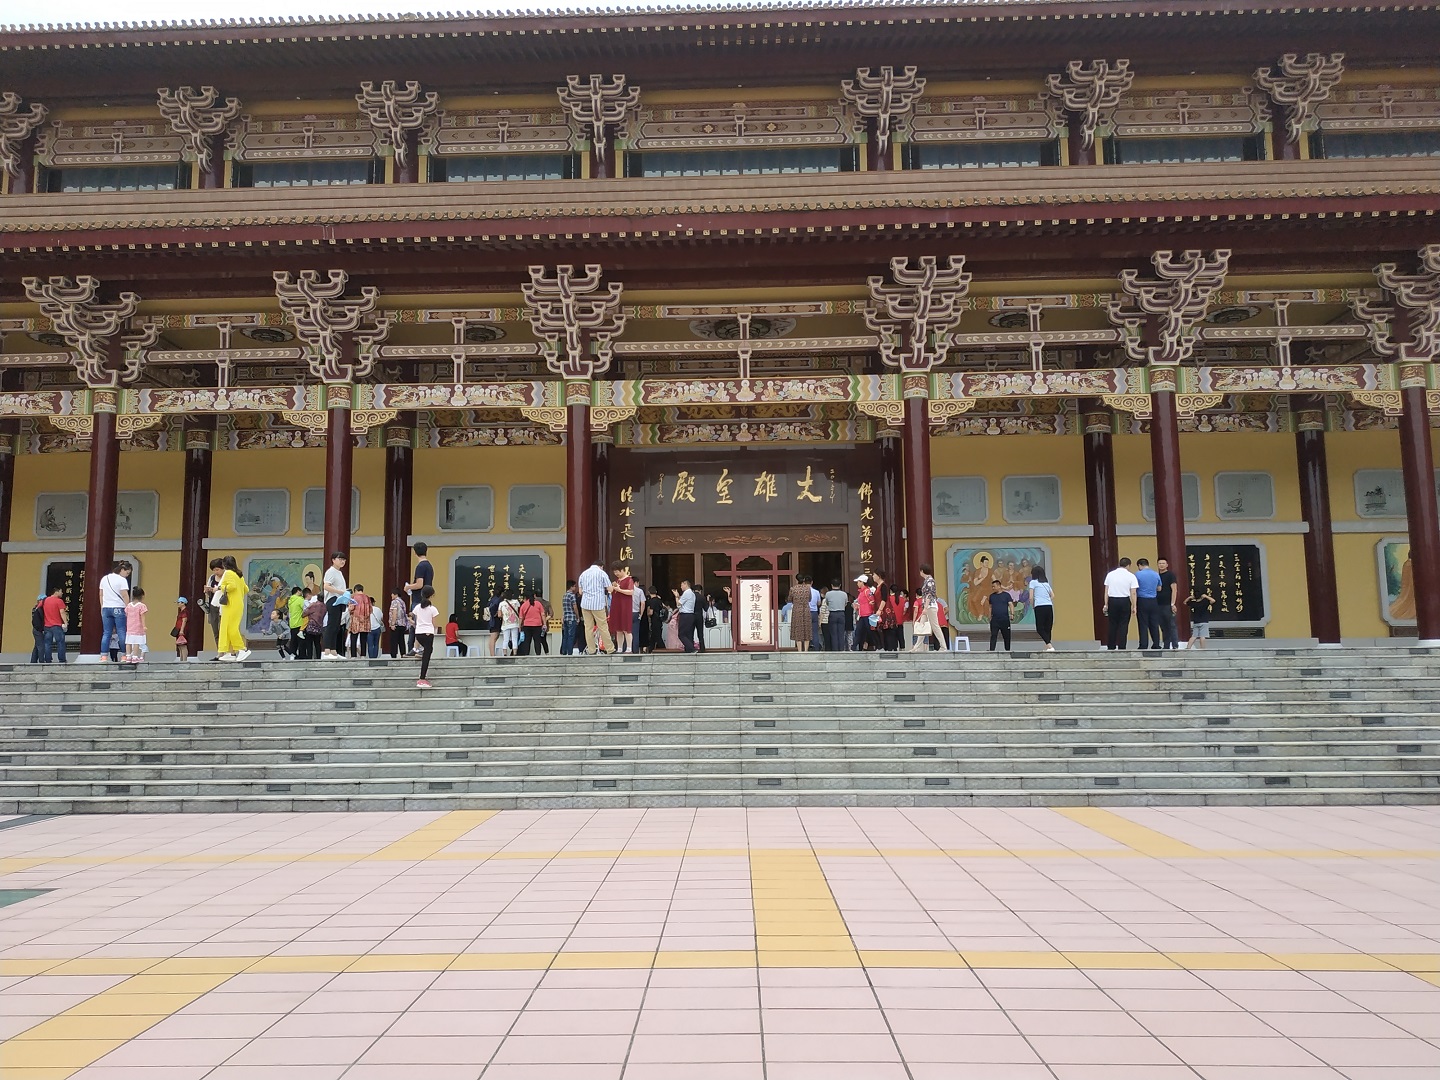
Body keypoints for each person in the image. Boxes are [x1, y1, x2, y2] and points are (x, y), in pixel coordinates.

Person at [216, 555, 250, 662]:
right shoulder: (239, 575)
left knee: (231, 628)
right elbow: (246, 589)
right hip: (237, 604)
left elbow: (232, 587)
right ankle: (229, 652)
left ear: (224, 565)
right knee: (227, 628)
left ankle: (241, 649)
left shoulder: (228, 573)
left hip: (231, 605)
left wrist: (220, 587)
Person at [578, 558, 615, 655]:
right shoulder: (601, 573)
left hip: (585, 604)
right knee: (603, 626)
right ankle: (610, 649)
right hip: (598, 604)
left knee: (588, 627)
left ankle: (591, 650)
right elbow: (610, 588)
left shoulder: (583, 574)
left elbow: (580, 592)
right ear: (601, 566)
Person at [1102, 557, 1139, 651]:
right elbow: (1133, 592)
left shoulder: (1110, 575)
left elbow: (1106, 591)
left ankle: (1111, 646)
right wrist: (1134, 606)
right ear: (1128, 565)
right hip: (1124, 601)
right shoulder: (1131, 576)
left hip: (1112, 600)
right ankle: (1122, 646)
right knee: (1123, 624)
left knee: (1112, 624)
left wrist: (1106, 604)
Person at [98, 559, 132, 663]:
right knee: (121, 631)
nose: (127, 575)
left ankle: (103, 656)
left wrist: (102, 607)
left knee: (106, 633)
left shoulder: (105, 578)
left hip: (106, 608)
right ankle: (124, 655)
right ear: (122, 570)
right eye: (127, 572)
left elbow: (101, 594)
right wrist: (128, 607)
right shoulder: (122, 580)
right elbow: (124, 594)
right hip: (118, 607)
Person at [404, 542, 434, 656]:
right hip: (424, 598)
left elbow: (419, 584)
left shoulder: (421, 566)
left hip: (418, 599)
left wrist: (408, 587)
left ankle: (416, 649)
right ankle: (414, 649)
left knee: (417, 625)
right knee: (417, 625)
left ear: (415, 552)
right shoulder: (429, 566)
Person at [320, 551, 349, 660]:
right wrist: (340, 592)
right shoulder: (331, 571)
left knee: (336, 626)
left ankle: (333, 651)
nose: (342, 561)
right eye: (340, 559)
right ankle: (326, 651)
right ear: (333, 560)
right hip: (333, 600)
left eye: (344, 559)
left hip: (340, 600)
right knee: (331, 625)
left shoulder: (339, 572)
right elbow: (326, 586)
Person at [412, 585, 441, 689]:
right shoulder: (432, 609)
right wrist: (436, 629)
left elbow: (415, 619)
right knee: (427, 655)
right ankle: (422, 678)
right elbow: (434, 623)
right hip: (428, 633)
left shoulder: (417, 608)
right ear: (431, 596)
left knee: (427, 651)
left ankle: (419, 651)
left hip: (418, 633)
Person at [1134, 558, 1162, 651]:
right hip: (1154, 600)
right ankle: (1156, 644)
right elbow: (1159, 588)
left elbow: (1134, 588)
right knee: (1154, 623)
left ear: (1139, 565)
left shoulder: (1137, 574)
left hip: (1142, 600)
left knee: (1143, 623)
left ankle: (1143, 644)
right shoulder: (1156, 574)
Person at [607, 561, 635, 654]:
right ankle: (619, 648)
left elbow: (631, 592)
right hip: (616, 606)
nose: (616, 574)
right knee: (618, 629)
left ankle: (629, 648)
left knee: (626, 629)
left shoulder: (629, 580)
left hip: (625, 606)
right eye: (614, 572)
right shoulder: (617, 581)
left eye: (617, 572)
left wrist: (619, 590)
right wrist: (612, 588)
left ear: (622, 570)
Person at [1029, 566, 1055, 652]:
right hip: (1049, 606)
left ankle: (1050, 646)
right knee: (1048, 627)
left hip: (1039, 606)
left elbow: (1031, 597)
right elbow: (1053, 595)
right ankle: (1048, 647)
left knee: (1040, 628)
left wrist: (1033, 605)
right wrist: (1047, 600)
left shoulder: (1033, 582)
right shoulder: (1046, 583)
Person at [1156, 557, 1180, 650]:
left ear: (1167, 565)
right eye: (1159, 563)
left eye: (1163, 563)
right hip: (1158, 604)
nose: (1161, 565)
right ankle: (1166, 645)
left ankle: (1175, 645)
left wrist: (1172, 603)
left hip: (1167, 604)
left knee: (1171, 625)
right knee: (1162, 626)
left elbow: (1174, 589)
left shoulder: (1170, 575)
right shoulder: (1157, 576)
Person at [202, 557, 224, 659]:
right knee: (216, 630)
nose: (216, 572)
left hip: (223, 605)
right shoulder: (211, 578)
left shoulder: (226, 577)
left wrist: (217, 589)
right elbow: (208, 591)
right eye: (214, 570)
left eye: (217, 569)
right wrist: (207, 590)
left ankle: (228, 651)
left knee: (224, 628)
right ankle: (220, 652)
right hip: (212, 605)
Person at [40, 586, 67, 664]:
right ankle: (62, 659)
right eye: (61, 591)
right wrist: (65, 622)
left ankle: (48, 659)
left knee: (47, 643)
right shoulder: (59, 601)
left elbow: (38, 608)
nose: (62, 593)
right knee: (60, 642)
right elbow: (62, 612)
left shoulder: (45, 600)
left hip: (47, 625)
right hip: (57, 625)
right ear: (56, 592)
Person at [988, 578, 1016, 653]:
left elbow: (1011, 605)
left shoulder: (1006, 595)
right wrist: (989, 616)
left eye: (994, 586)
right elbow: (990, 607)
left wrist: (1012, 614)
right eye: (992, 587)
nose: (993, 588)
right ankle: (991, 651)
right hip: (995, 620)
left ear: (999, 586)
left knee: (1006, 636)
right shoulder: (991, 596)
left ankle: (1007, 651)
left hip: (1004, 619)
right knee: (993, 635)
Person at [822, 580, 849, 653]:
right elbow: (846, 603)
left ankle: (835, 650)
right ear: (840, 585)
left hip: (832, 614)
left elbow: (827, 603)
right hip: (841, 613)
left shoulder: (828, 594)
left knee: (833, 633)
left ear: (831, 585)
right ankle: (841, 649)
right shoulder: (844, 594)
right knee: (841, 633)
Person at [788, 575, 812, 652]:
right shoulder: (808, 589)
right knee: (806, 629)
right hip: (806, 609)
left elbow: (789, 599)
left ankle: (799, 650)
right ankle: (806, 650)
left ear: (796, 580)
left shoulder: (793, 589)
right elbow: (810, 599)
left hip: (797, 610)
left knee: (798, 629)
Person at [348, 585, 373, 658]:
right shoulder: (367, 598)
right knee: (363, 639)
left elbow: (351, 608)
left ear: (355, 590)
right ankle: (363, 655)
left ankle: (353, 655)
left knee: (353, 638)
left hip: (356, 621)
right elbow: (371, 610)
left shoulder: (353, 597)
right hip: (365, 622)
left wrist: (349, 609)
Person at [519, 589, 546, 655]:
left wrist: (519, 626)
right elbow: (543, 614)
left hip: (527, 625)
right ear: (534, 596)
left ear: (526, 597)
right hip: (537, 625)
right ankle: (538, 654)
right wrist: (544, 624)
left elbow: (521, 617)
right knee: (537, 641)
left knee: (527, 641)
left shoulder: (524, 605)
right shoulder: (538, 604)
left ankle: (526, 655)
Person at [675, 579, 699, 653]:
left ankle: (691, 648)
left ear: (686, 584)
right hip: (690, 615)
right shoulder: (692, 593)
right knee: (688, 634)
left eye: (682, 585)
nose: (681, 587)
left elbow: (678, 604)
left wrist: (676, 596)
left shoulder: (686, 593)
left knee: (681, 634)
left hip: (685, 615)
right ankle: (688, 649)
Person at [852, 573, 874, 651]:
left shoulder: (867, 591)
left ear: (862, 582)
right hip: (862, 614)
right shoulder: (861, 592)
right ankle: (854, 647)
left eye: (858, 582)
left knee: (869, 632)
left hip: (867, 615)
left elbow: (872, 601)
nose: (857, 583)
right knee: (859, 631)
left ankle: (874, 645)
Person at [644, 586, 668, 652]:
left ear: (649, 592)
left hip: (654, 620)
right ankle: (650, 649)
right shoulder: (659, 600)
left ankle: (664, 649)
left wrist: (647, 613)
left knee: (657, 636)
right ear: (656, 592)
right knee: (653, 637)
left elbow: (651, 613)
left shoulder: (651, 601)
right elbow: (665, 608)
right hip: (659, 620)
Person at [303, 590, 325, 660]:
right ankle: (318, 658)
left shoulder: (314, 605)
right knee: (317, 643)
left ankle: (309, 658)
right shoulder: (325, 606)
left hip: (311, 626)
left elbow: (304, 614)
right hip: (319, 626)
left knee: (309, 643)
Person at [560, 580, 580, 656]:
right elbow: (574, 607)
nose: (575, 588)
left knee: (565, 636)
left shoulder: (564, 595)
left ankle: (564, 651)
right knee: (571, 636)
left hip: (565, 618)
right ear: (571, 587)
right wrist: (577, 617)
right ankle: (570, 652)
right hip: (572, 617)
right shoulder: (572, 595)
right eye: (574, 586)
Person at [287, 586, 306, 659]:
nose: (301, 593)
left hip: (292, 623)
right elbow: (305, 608)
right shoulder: (300, 599)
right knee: (301, 641)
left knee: (293, 641)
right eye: (301, 591)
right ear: (298, 591)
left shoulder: (290, 601)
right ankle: (302, 656)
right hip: (300, 623)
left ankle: (292, 654)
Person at [484, 586, 503, 658]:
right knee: (493, 637)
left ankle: (492, 654)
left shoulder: (492, 599)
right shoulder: (498, 600)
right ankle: (492, 655)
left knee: (494, 637)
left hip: (492, 621)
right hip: (495, 620)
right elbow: (493, 610)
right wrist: (496, 614)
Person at [30, 593, 46, 664]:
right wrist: (41, 629)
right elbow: (36, 621)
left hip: (37, 629)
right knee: (41, 646)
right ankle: (41, 661)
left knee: (37, 645)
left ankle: (33, 660)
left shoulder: (37, 609)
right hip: (38, 630)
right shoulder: (38, 609)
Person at [173, 596, 190, 662]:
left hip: (182, 630)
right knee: (180, 645)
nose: (178, 604)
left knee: (183, 645)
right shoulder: (182, 611)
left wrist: (182, 630)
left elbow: (184, 620)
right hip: (179, 630)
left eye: (179, 602)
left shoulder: (184, 612)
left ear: (183, 603)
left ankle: (184, 660)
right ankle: (181, 659)